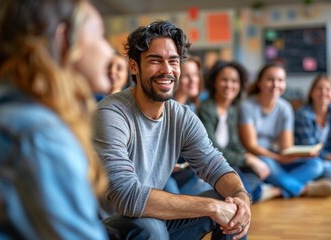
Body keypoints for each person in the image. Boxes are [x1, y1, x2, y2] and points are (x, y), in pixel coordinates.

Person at [93, 20, 251, 240]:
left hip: (152, 219)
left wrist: (241, 197)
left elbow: (215, 165)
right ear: (133, 66)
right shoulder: (111, 113)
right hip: (103, 228)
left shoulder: (182, 116)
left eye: (173, 61)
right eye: (155, 61)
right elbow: (127, 196)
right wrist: (211, 207)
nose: (167, 70)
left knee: (233, 208)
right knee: (151, 228)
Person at [0, 0, 113, 239]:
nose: (109, 50)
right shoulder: (40, 133)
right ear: (65, 38)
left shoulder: (8, 111)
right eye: (100, 35)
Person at [238, 64, 331, 199]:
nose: (275, 84)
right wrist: (277, 158)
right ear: (259, 83)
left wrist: (299, 154)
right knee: (266, 162)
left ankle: (275, 189)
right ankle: (302, 189)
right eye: (270, 80)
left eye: (280, 80)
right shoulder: (247, 107)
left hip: (276, 158)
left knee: (316, 165)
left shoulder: (285, 108)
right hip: (257, 158)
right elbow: (251, 146)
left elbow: (286, 147)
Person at [199, 60, 281, 203]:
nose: (229, 85)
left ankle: (255, 193)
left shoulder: (232, 109)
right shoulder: (206, 109)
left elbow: (234, 143)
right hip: (212, 166)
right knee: (241, 184)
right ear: (214, 83)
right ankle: (261, 193)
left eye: (234, 81)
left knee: (255, 174)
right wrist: (246, 159)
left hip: (229, 162)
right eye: (224, 80)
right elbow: (212, 150)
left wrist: (249, 157)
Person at [164, 56, 212, 195]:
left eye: (196, 75)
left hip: (188, 172)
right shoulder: (164, 108)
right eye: (186, 76)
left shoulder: (193, 107)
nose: (193, 80)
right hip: (166, 175)